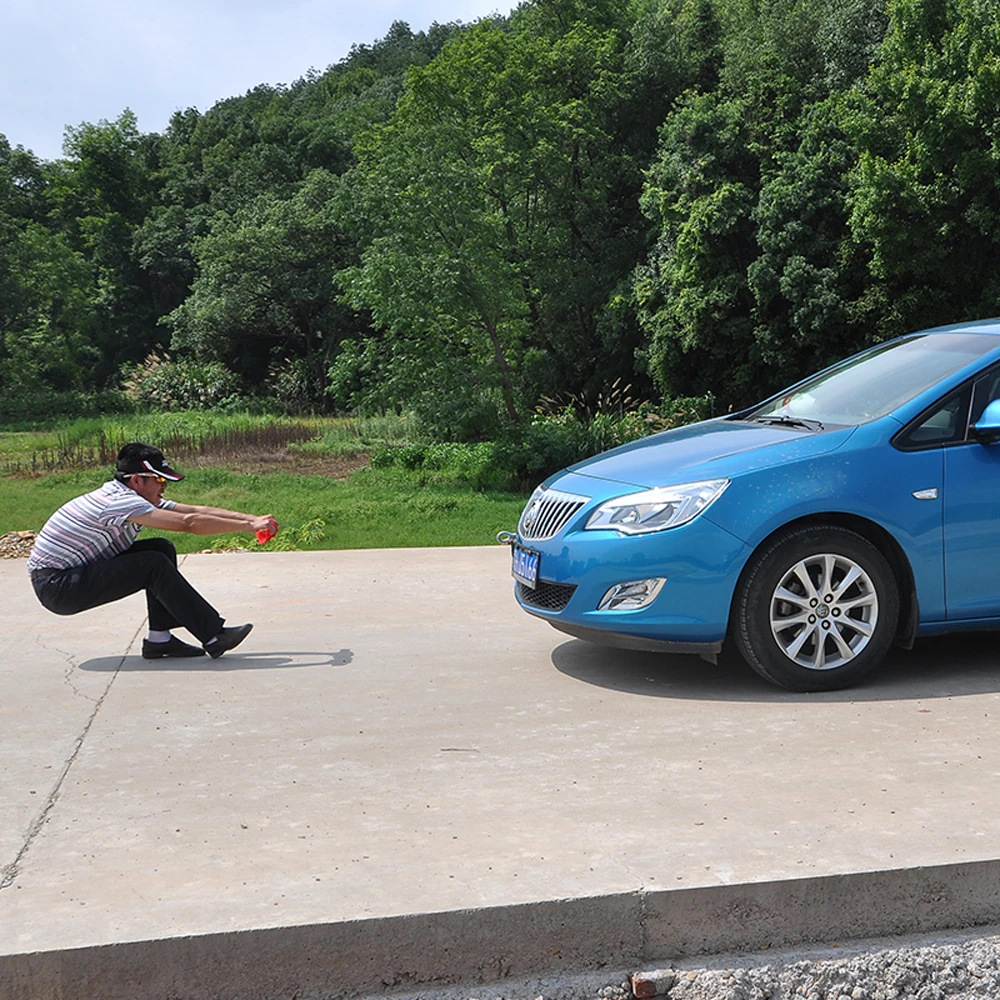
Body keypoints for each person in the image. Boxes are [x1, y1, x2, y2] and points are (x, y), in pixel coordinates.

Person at [27, 442, 277, 660]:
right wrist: (247, 525)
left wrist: (250, 518)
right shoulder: (120, 502)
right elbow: (188, 524)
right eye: (159, 480)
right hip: (57, 587)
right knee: (151, 564)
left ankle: (160, 640)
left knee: (160, 548)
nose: (164, 486)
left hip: (68, 577)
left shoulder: (133, 497)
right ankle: (214, 636)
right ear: (136, 480)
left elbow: (194, 512)